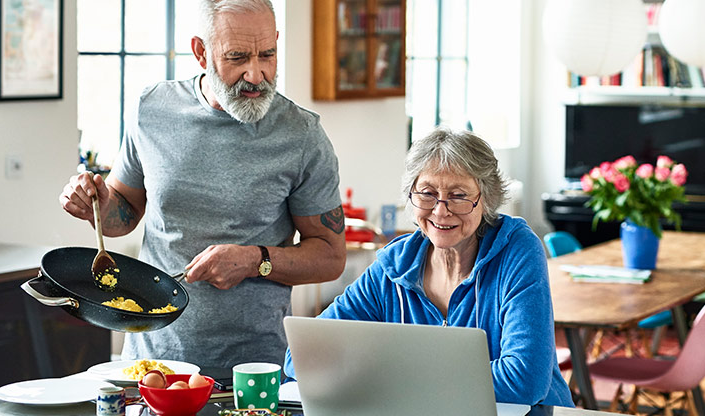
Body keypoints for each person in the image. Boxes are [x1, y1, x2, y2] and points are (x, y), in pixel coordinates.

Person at [59, 0, 346, 369]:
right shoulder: (152, 108)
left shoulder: (302, 135)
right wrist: (95, 204)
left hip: (253, 371)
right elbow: (124, 214)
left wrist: (254, 261)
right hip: (152, 365)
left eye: (267, 55)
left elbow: (331, 256)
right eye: (238, 57)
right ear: (200, 52)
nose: (256, 74)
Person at [283, 127, 575, 407]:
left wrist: (391, 376)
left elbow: (525, 380)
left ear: (486, 199)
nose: (440, 210)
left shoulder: (517, 250)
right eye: (427, 193)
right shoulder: (393, 267)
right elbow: (301, 356)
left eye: (459, 195)